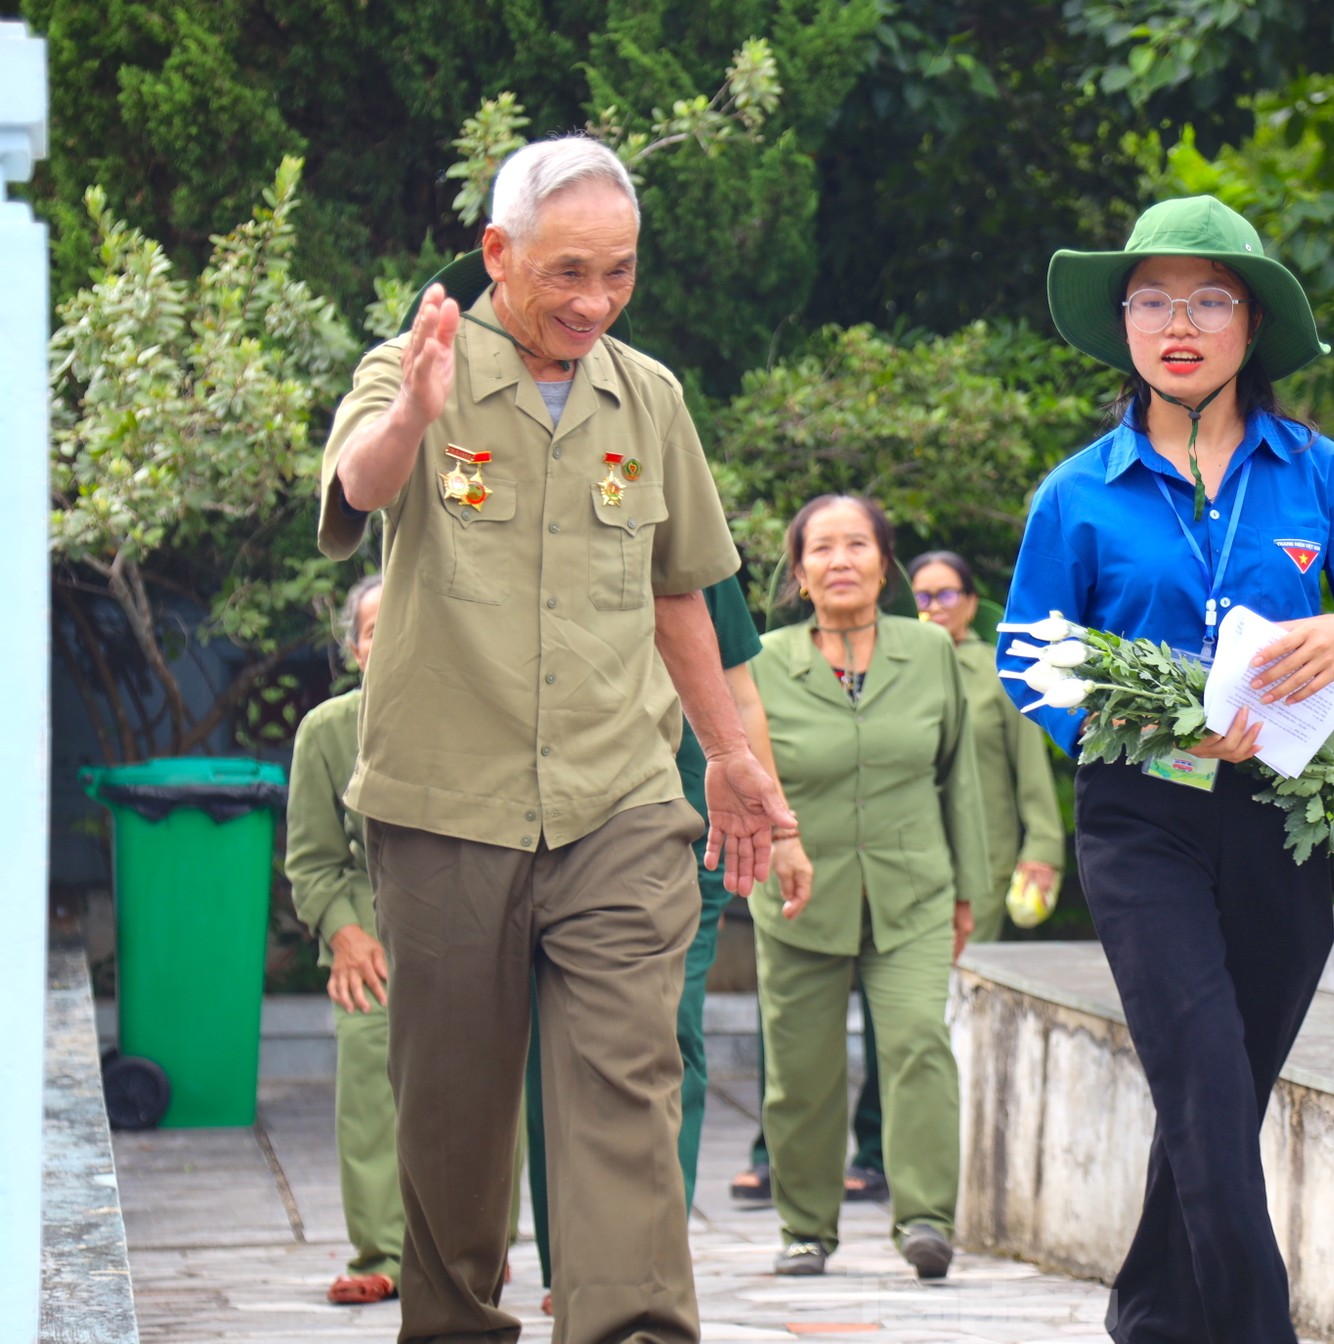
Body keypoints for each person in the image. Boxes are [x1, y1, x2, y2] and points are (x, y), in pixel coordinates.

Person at [316, 135, 792, 1344]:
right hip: (445, 806)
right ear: (497, 253)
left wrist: (732, 758)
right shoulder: (409, 367)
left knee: (628, 1082)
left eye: (619, 274)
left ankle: (630, 1327)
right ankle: (455, 1323)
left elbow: (679, 591)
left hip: (620, 803)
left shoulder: (650, 398)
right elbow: (361, 486)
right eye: (568, 273)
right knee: (453, 1116)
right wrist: (416, 416)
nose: (594, 302)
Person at [1000, 195, 1334, 1344]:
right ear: (1126, 327)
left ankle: (1151, 1316)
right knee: (1198, 1074)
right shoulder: (1077, 493)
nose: (1178, 322)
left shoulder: (1318, 475)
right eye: (1152, 299)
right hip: (1139, 821)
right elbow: (1024, 657)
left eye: (1208, 298)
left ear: (1252, 325)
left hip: (1283, 821)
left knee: (1225, 1093)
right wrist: (1144, 730)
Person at [526, 571, 807, 1317]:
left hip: (689, 824)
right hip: (550, 816)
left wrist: (776, 826)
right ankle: (569, 1263)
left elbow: (741, 696)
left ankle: (645, 1257)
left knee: (665, 1031)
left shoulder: (692, 555)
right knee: (546, 1044)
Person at [748, 495, 989, 1280]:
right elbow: (743, 779)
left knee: (919, 1041)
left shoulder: (929, 652)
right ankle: (806, 1228)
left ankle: (924, 1220)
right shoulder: (760, 660)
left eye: (858, 545)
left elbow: (958, 774)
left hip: (914, 888)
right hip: (798, 896)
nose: (841, 560)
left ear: (886, 565)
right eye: (822, 548)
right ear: (799, 571)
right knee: (801, 1070)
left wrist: (966, 890)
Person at [287, 576, 399, 1306]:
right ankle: (382, 1252)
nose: (388, 638)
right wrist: (346, 936)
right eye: (371, 629)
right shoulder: (327, 731)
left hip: (473, 925)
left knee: (486, 1095)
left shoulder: (483, 716)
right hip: (370, 934)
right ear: (355, 649)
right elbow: (313, 860)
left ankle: (473, 1246)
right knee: (370, 1086)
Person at [909, 550, 1065, 940]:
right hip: (901, 860)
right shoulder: (888, 670)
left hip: (981, 861)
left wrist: (1042, 849)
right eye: (922, 597)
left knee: (965, 980)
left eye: (946, 595)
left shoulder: (1003, 673)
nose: (934, 607)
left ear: (971, 602)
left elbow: (1031, 767)